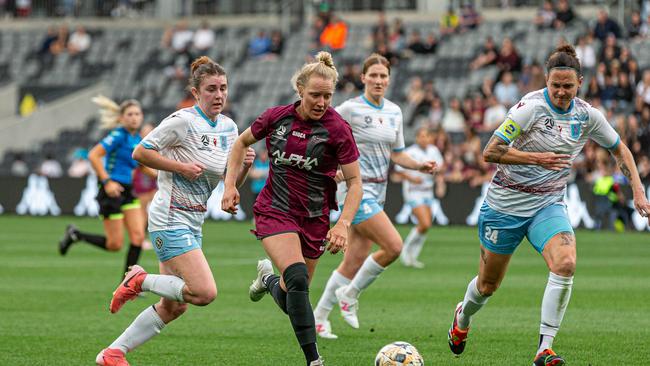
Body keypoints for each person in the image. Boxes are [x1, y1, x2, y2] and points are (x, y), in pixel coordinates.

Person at [446, 44, 650, 366]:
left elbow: (620, 149)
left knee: (566, 263)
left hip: (547, 204)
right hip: (505, 205)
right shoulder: (529, 108)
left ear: (580, 82)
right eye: (555, 85)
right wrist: (534, 157)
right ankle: (462, 317)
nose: (561, 92)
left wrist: (639, 191)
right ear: (546, 80)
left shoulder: (587, 115)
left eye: (568, 86)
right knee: (487, 286)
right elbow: (491, 151)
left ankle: (545, 349)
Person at [94, 56, 255, 366]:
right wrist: (179, 166)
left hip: (194, 220)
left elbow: (227, 180)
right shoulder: (182, 121)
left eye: (223, 88)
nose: (219, 94)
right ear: (195, 92)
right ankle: (139, 280)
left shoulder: (229, 127)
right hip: (169, 218)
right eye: (211, 89)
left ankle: (113, 353)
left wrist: (241, 172)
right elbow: (140, 151)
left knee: (174, 307)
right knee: (204, 292)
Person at [221, 51, 362, 366]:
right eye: (315, 95)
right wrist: (231, 185)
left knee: (291, 297)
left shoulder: (338, 129)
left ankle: (268, 280)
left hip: (315, 218)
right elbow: (241, 143)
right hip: (275, 209)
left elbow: (355, 183)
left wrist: (343, 225)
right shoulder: (275, 117)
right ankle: (314, 360)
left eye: (327, 95)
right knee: (298, 279)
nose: (321, 101)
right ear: (300, 90)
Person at [311, 54, 436, 339]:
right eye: (374, 75)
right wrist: (332, 168)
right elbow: (321, 136)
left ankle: (319, 317)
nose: (379, 80)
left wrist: (419, 165)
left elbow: (398, 153)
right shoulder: (349, 109)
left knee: (355, 259)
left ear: (389, 80)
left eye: (383, 76)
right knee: (393, 246)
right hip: (355, 191)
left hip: (378, 192)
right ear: (363, 78)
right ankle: (350, 295)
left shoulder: (395, 111)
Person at [58, 96, 148, 280]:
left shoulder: (137, 139)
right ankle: (76, 235)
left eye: (137, 114)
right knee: (114, 244)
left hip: (127, 190)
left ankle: (128, 283)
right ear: (121, 118)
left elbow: (144, 166)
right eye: (130, 114)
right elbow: (93, 155)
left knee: (138, 237)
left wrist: (170, 174)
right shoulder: (118, 136)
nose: (134, 118)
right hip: (111, 191)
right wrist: (107, 182)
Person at [394, 127, 444, 268]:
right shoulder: (410, 152)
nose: (424, 139)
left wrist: (437, 176)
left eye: (426, 136)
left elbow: (440, 168)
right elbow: (399, 171)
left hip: (428, 191)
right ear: (417, 138)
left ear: (430, 138)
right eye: (421, 136)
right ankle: (405, 250)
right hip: (414, 191)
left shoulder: (433, 150)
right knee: (425, 223)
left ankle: (412, 257)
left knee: (424, 226)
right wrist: (411, 178)